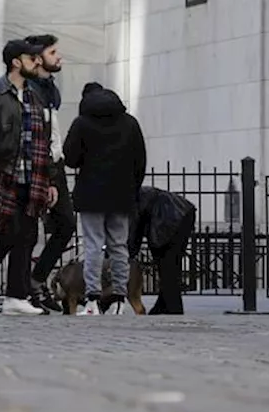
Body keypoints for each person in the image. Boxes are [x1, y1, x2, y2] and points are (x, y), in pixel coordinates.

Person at [0, 39, 60, 315]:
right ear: (16, 62)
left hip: (34, 175)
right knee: (9, 231)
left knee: (28, 235)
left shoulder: (35, 96)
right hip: (4, 173)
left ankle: (16, 296)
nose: (36, 62)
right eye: (31, 59)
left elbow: (45, 139)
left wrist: (50, 180)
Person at [63, 82, 146, 315]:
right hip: (121, 193)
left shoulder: (82, 123)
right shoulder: (130, 123)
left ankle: (92, 298)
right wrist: (132, 187)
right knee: (119, 246)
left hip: (91, 193)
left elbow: (70, 158)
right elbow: (140, 160)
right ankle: (119, 297)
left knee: (93, 246)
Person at [23, 33, 73, 314]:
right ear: (39, 58)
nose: (60, 57)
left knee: (65, 225)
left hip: (55, 162)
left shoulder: (49, 88)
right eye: (54, 52)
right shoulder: (30, 90)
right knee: (27, 231)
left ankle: (36, 279)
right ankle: (25, 287)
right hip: (40, 166)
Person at [129, 186, 196, 314]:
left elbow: (134, 232)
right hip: (182, 213)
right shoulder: (135, 194)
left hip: (170, 219)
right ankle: (164, 304)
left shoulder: (129, 201)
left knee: (168, 264)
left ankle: (173, 307)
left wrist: (128, 254)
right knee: (169, 264)